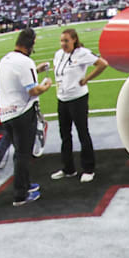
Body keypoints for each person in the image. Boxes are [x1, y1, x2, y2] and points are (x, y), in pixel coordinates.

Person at [0, 27, 52, 206]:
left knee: (19, 153)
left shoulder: (6, 60)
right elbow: (33, 90)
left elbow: (18, 78)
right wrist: (46, 85)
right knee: (23, 154)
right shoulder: (24, 62)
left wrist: (36, 69)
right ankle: (20, 195)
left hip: (6, 113)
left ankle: (26, 185)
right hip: (22, 112)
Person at [50, 27, 108, 183]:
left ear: (74, 40)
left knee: (83, 133)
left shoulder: (81, 53)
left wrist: (87, 78)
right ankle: (68, 168)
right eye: (61, 41)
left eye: (66, 41)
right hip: (62, 99)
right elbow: (57, 71)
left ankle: (89, 168)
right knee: (65, 135)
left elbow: (102, 64)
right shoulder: (58, 54)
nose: (63, 44)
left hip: (78, 99)